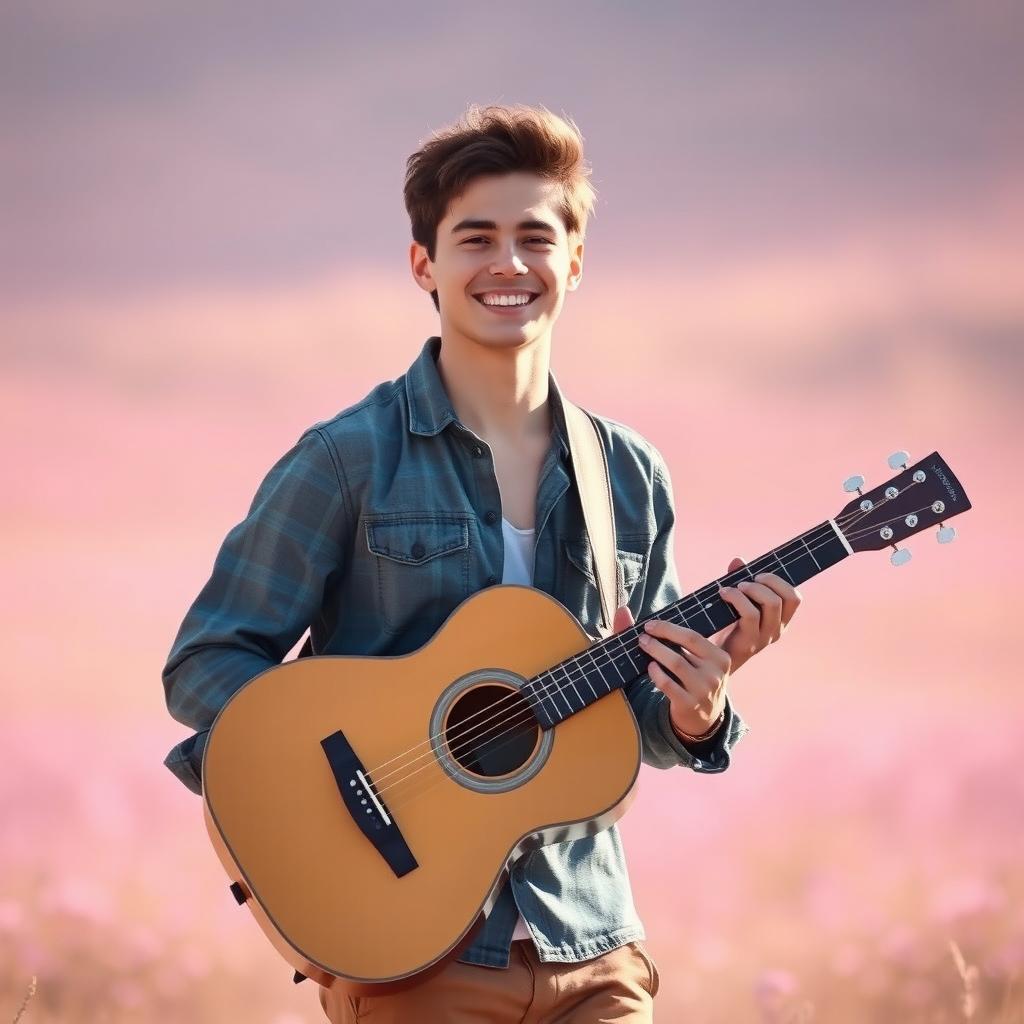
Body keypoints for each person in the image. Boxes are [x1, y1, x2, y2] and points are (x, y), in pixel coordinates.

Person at [161, 102, 802, 1023]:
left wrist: (701, 712)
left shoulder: (627, 474)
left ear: (574, 262)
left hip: (594, 944)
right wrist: (357, 751)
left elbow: (639, 726)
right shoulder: (346, 459)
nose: (509, 264)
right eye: (477, 238)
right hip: (415, 953)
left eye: (536, 237)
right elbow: (206, 664)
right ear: (425, 263)